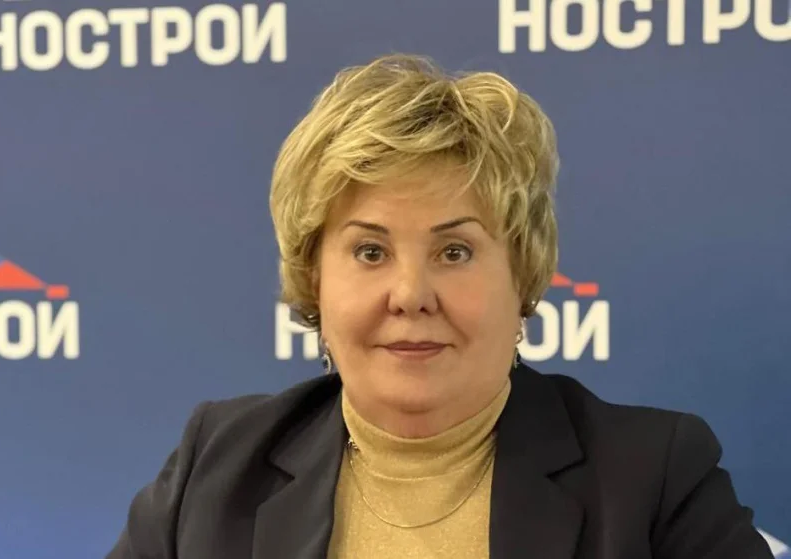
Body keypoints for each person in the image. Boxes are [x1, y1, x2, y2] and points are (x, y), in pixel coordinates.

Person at [107, 54, 773, 559]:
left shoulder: (652, 478)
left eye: (454, 251)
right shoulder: (216, 466)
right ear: (314, 278)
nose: (410, 295)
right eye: (370, 251)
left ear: (523, 274)